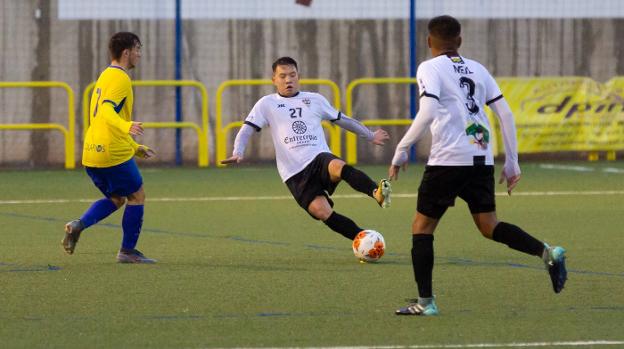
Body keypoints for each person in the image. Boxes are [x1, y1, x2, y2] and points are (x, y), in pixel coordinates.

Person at [389, 15, 567, 316]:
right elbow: (505, 114)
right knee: (489, 225)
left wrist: (401, 148)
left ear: (430, 42)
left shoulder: (429, 67)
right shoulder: (478, 68)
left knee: (422, 227)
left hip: (448, 159)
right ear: (459, 41)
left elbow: (429, 109)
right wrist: (512, 162)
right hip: (481, 157)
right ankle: (546, 252)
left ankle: (426, 303)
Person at [222, 56, 392, 245]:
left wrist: (370, 135)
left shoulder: (314, 100)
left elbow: (343, 119)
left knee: (337, 166)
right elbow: (247, 129)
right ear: (274, 80)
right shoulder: (266, 104)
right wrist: (238, 150)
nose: (288, 80)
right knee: (323, 212)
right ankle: (364, 240)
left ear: (299, 76)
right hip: (294, 173)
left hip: (318, 157)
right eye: (283, 76)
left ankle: (376, 192)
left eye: (292, 75)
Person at [62, 32, 156, 264]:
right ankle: (128, 251)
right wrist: (126, 126)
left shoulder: (106, 75)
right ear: (127, 52)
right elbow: (106, 110)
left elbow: (104, 117)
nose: (139, 54)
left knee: (117, 199)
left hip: (92, 152)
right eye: (138, 49)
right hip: (111, 152)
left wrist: (134, 147)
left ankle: (78, 225)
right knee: (137, 195)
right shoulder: (121, 78)